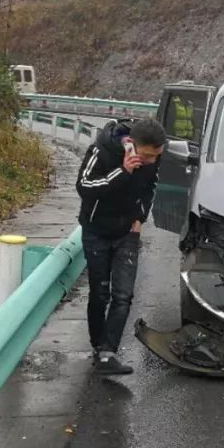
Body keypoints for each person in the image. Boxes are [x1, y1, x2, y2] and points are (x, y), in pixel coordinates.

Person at [76, 117, 166, 375]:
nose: (151, 161)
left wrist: (140, 218)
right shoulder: (101, 150)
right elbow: (84, 187)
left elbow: (151, 187)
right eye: (147, 156)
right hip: (96, 232)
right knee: (99, 294)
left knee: (123, 296)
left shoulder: (153, 158)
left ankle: (108, 353)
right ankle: (98, 346)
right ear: (131, 145)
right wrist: (123, 171)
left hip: (128, 231)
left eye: (156, 156)